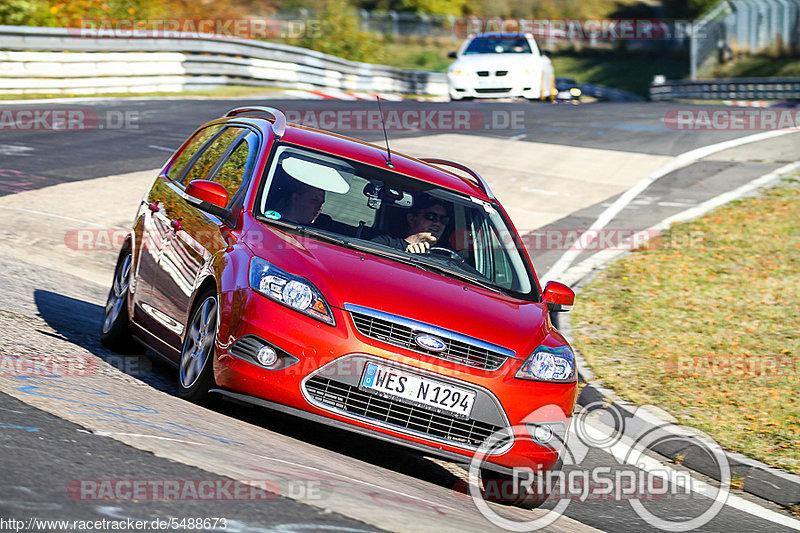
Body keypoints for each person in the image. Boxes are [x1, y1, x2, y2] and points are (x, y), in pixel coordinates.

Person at [372, 197, 450, 254]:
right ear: (411, 219)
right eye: (431, 217)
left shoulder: (446, 257)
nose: (438, 223)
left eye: (443, 219)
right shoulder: (385, 243)